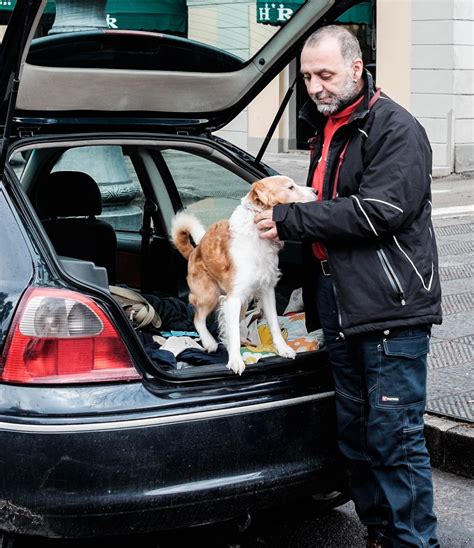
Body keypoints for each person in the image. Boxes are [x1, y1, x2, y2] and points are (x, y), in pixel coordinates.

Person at [255, 25, 442, 548]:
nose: (314, 86)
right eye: (308, 76)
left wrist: (291, 220)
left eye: (325, 74)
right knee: (357, 439)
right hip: (338, 305)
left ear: (357, 69)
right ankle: (380, 536)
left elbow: (379, 211)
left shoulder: (393, 128)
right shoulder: (331, 128)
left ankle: (412, 543)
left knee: (394, 440)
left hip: (389, 307)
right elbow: (324, 213)